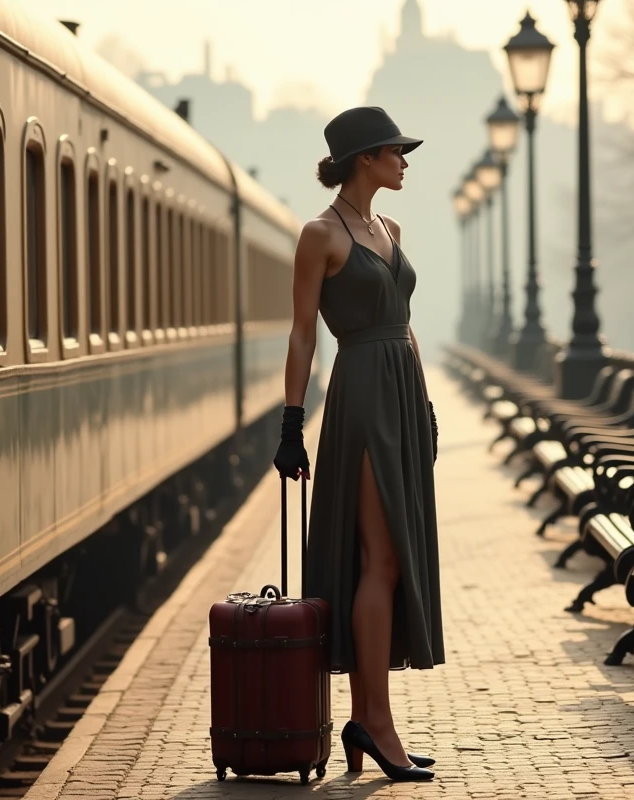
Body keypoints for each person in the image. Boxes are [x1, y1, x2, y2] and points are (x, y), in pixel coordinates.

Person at [273, 106, 442, 783]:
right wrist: (291, 423)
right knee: (382, 559)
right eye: (396, 152)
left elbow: (405, 323)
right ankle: (375, 723)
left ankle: (370, 718)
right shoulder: (320, 234)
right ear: (365, 158)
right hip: (364, 397)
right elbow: (302, 335)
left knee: (390, 559)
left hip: (401, 394)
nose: (405, 162)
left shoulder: (389, 227)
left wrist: (425, 403)